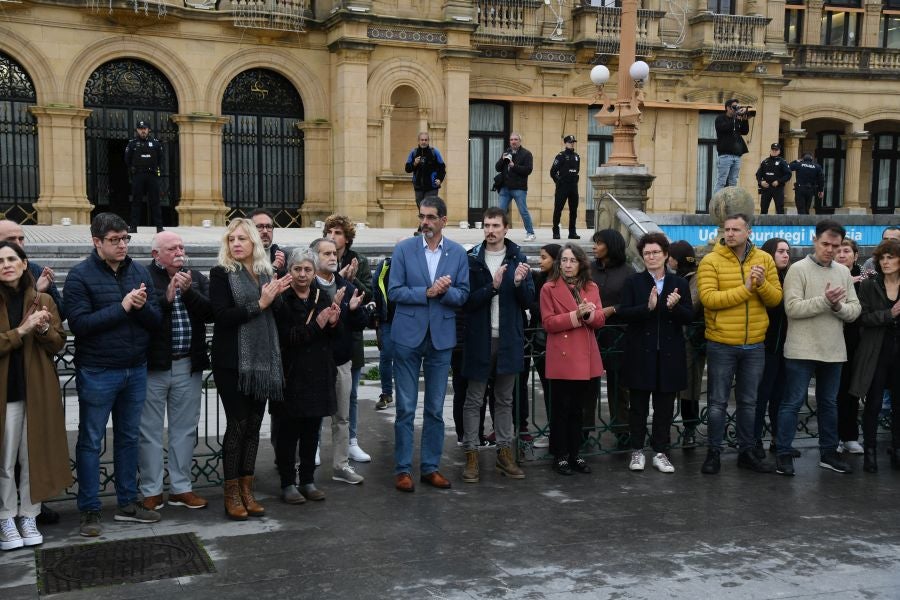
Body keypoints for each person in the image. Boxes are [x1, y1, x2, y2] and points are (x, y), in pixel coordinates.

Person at [65, 212, 162, 536]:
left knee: (128, 438)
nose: (122, 245)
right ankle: (90, 510)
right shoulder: (80, 276)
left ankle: (126, 503)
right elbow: (79, 325)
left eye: (125, 239)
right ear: (97, 242)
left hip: (134, 369)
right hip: (97, 370)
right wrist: (122, 307)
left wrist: (142, 305)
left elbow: (155, 321)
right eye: (114, 240)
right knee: (91, 440)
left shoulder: (138, 271)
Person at [209, 218, 290, 520]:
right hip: (232, 363)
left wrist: (277, 295)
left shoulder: (265, 272)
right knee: (238, 424)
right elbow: (222, 316)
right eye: (232, 239)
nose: (237, 243)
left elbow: (278, 314)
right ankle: (231, 493)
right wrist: (261, 302)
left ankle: (247, 488)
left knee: (255, 426)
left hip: (262, 362)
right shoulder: (220, 273)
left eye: (243, 238)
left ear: (255, 242)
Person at [389, 196, 469, 492]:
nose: (424, 222)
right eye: (422, 216)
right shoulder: (404, 250)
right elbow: (394, 291)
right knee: (406, 407)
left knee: (435, 408)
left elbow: (463, 295)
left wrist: (445, 293)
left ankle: (431, 467)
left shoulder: (458, 253)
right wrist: (428, 292)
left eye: (431, 217)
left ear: (443, 221)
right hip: (407, 337)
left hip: (441, 338)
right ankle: (402, 469)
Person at [697, 213, 782, 475]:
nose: (730, 233)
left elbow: (775, 299)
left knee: (749, 402)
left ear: (749, 232)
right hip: (722, 342)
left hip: (754, 343)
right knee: (717, 402)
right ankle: (713, 452)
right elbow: (709, 299)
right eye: (727, 229)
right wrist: (747, 288)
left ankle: (747, 452)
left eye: (736, 229)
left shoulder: (764, 259)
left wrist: (762, 284)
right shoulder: (711, 260)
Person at [775, 220, 861, 476]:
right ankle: (783, 452)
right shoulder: (798, 269)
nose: (830, 250)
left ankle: (828, 453)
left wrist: (837, 307)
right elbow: (792, 308)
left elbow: (854, 311)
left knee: (829, 404)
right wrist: (825, 301)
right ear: (815, 240)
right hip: (801, 349)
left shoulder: (843, 273)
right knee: (792, 403)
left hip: (833, 349)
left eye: (836, 246)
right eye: (825, 244)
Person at [138, 232, 214, 512]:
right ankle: (151, 490)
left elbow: (210, 313)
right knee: (150, 431)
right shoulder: (143, 275)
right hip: (154, 366)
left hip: (187, 364)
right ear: (156, 254)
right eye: (172, 248)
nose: (179, 251)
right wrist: (167, 297)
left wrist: (189, 291)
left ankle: (181, 488)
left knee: (184, 430)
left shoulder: (195, 275)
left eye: (182, 246)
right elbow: (142, 315)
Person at [0, 242, 68, 551]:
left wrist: (41, 329)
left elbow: (58, 345)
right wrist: (22, 331)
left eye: (12, 258)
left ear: (25, 263)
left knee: (32, 456)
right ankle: (5, 517)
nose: (6, 264)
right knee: (5, 459)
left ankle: (29, 514)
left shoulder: (43, 299)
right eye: (0, 260)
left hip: (36, 390)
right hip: (6, 392)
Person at [460, 207, 534, 483]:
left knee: (505, 399)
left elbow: (529, 301)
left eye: (495, 225)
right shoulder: (472, 260)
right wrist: (492, 286)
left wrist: (517, 283)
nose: (490, 230)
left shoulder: (518, 258)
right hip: (480, 340)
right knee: (474, 399)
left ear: (506, 229)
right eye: (486, 225)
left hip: (508, 340)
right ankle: (471, 454)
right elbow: (466, 302)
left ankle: (505, 453)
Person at [618, 233, 693, 474]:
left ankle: (661, 451)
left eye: (656, 252)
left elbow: (689, 316)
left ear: (665, 255)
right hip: (640, 352)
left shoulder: (679, 283)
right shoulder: (634, 282)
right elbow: (624, 314)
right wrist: (647, 308)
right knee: (638, 405)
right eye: (647, 253)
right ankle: (637, 450)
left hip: (670, 353)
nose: (651, 257)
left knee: (664, 406)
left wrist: (674, 307)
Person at [273, 248, 339, 503]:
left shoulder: (321, 296)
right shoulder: (281, 299)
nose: (302, 274)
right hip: (291, 375)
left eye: (307, 269)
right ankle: (288, 482)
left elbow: (333, 336)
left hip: (318, 374)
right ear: (289, 271)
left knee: (312, 431)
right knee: (288, 433)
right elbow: (288, 337)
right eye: (297, 269)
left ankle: (308, 480)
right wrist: (319, 324)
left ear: (314, 272)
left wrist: (334, 322)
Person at [541, 243, 606, 476]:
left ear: (580, 264)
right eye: (564, 260)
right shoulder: (549, 288)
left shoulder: (591, 287)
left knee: (579, 410)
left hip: (585, 357)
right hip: (562, 356)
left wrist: (589, 314)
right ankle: (560, 455)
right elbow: (548, 323)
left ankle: (575, 453)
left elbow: (599, 319)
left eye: (572, 260)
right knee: (561, 410)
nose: (568, 265)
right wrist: (574, 316)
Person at [311, 237, 368, 485]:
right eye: (326, 254)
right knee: (310, 415)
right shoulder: (307, 286)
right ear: (314, 258)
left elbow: (358, 325)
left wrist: (354, 310)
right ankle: (304, 463)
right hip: (313, 362)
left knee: (342, 417)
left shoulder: (347, 285)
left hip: (341, 361)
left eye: (334, 253)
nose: (333, 257)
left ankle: (341, 465)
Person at [323, 215, 372, 463]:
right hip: (324, 336)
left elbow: (369, 294)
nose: (333, 236)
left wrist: (351, 281)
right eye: (330, 231)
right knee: (320, 392)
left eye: (339, 232)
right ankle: (315, 446)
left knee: (350, 394)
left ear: (347, 237)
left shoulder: (359, 261)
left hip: (350, 336)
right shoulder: (319, 257)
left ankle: (351, 441)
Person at [849, 238, 900, 473]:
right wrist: (889, 314)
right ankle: (869, 452)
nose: (886, 262)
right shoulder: (871, 284)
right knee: (874, 403)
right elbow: (863, 318)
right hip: (876, 351)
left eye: (891, 257)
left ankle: (896, 450)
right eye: (882, 258)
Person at [589, 229, 635, 447]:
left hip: (618, 335)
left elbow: (634, 302)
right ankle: (583, 430)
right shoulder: (589, 269)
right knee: (587, 385)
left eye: (599, 243)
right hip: (591, 334)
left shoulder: (628, 272)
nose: (594, 247)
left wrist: (612, 310)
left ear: (611, 246)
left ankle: (622, 430)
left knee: (619, 386)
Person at [753, 237, 797, 458]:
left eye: (787, 251)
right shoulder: (765, 279)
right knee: (762, 396)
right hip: (765, 345)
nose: (785, 255)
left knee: (780, 396)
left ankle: (779, 440)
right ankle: (755, 441)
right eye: (780, 251)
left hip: (786, 348)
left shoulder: (791, 277)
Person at [667, 241, 704, 448]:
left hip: (690, 339)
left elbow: (693, 304)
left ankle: (690, 428)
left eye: (670, 256)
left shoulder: (695, 278)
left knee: (690, 387)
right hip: (673, 338)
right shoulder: (673, 277)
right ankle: (665, 426)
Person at [835, 239, 867, 456]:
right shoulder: (831, 274)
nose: (841, 254)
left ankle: (850, 436)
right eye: (838, 250)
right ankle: (833, 437)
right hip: (833, 340)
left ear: (856, 256)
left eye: (847, 251)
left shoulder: (866, 279)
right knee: (832, 392)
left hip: (858, 342)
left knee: (851, 390)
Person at [529, 243, 561, 449]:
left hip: (559, 344)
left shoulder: (564, 282)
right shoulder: (538, 280)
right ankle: (552, 433)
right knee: (549, 391)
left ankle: (561, 435)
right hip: (540, 343)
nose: (540, 261)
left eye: (544, 257)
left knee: (561, 393)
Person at [0, 220, 64, 318]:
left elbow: (60, 314)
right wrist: (35, 292)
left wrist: (43, 293)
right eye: (11, 239)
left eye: (21, 239)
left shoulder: (37, 271)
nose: (18, 243)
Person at [124, 120, 164, 233]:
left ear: (148, 130)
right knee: (136, 201)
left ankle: (159, 227)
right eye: (141, 129)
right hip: (138, 175)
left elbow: (160, 159)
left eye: (145, 129)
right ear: (137, 130)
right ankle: (133, 226)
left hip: (152, 175)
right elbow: (127, 159)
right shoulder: (132, 144)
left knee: (155, 201)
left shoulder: (155, 143)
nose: (143, 131)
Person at [495, 132, 536, 242]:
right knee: (501, 212)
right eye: (511, 139)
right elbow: (497, 168)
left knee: (523, 211)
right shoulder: (506, 152)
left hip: (519, 188)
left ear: (519, 141)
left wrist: (514, 166)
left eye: (515, 139)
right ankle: (499, 233)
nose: (513, 141)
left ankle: (530, 233)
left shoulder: (526, 154)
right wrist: (502, 160)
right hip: (505, 188)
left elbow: (528, 170)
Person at [372, 256, 395, 410]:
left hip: (409, 321)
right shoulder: (385, 266)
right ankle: (386, 393)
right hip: (387, 319)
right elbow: (375, 289)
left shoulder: (415, 266)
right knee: (386, 355)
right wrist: (377, 317)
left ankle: (407, 394)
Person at [714, 99, 752, 192]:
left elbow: (744, 131)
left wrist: (745, 120)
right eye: (734, 107)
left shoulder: (737, 119)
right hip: (725, 155)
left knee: (733, 182)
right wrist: (736, 119)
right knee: (721, 181)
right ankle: (715, 204)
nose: (736, 109)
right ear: (727, 108)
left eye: (737, 107)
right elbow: (723, 128)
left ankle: (731, 203)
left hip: (737, 156)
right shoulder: (720, 118)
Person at [549, 135, 581, 240]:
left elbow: (577, 170)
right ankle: (555, 231)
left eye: (573, 142)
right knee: (558, 209)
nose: (572, 143)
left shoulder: (577, 156)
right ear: (565, 143)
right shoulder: (561, 156)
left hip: (573, 187)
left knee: (574, 210)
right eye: (570, 142)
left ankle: (572, 232)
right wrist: (559, 181)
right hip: (563, 187)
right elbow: (552, 172)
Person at [405, 132, 446, 206]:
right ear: (418, 141)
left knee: (429, 207)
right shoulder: (413, 152)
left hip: (432, 187)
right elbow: (407, 169)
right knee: (421, 209)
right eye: (422, 140)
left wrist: (440, 179)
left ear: (428, 141)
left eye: (426, 140)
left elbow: (442, 167)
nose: (424, 142)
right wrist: (414, 163)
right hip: (418, 187)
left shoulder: (434, 152)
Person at [755, 143, 792, 215]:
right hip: (766, 188)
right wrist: (761, 182)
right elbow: (758, 174)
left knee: (779, 208)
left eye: (776, 150)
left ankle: (780, 225)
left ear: (779, 151)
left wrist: (779, 181)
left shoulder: (782, 162)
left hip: (777, 188)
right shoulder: (765, 161)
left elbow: (788, 174)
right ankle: (763, 225)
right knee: (763, 208)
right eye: (773, 149)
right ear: (770, 150)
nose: (774, 151)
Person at [249, 208, 287, 277]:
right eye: (260, 227)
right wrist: (274, 268)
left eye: (269, 226)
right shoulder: (243, 256)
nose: (265, 231)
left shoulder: (282, 256)